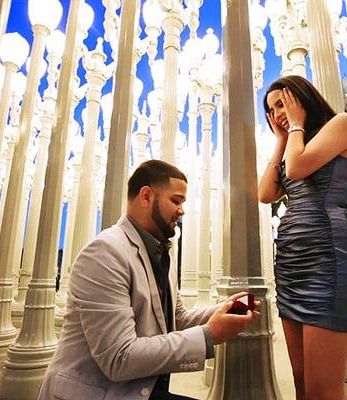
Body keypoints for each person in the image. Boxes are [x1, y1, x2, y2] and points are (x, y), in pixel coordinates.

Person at [38, 160, 259, 400]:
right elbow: (119, 358)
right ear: (146, 196)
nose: (182, 210)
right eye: (176, 200)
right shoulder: (104, 253)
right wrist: (209, 335)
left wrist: (224, 310)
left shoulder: (163, 252)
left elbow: (176, 319)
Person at [258, 75, 347, 400]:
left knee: (323, 390)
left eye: (281, 103)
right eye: (271, 110)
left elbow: (297, 169)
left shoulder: (342, 124)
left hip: (328, 256)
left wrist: (296, 127)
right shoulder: (293, 144)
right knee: (301, 381)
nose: (277, 113)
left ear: (302, 98)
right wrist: (281, 138)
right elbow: (265, 193)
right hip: (291, 263)